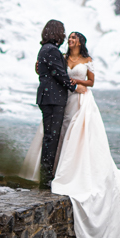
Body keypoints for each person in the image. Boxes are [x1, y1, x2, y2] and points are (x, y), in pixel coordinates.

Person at [20, 29, 120, 238]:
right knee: (59, 135)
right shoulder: (62, 57)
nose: (71, 40)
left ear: (81, 42)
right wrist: (46, 71)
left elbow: (92, 82)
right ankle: (52, 168)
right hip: (66, 98)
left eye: (74, 38)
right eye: (70, 37)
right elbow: (52, 72)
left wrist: (77, 82)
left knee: (78, 135)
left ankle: (74, 168)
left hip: (81, 99)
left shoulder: (87, 60)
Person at [34, 19, 87, 189]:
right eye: (62, 31)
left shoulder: (44, 49)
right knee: (52, 137)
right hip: (53, 99)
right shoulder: (52, 51)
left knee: (50, 136)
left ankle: (46, 174)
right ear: (57, 33)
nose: (64, 35)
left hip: (48, 97)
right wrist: (74, 87)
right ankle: (46, 177)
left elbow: (47, 71)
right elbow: (59, 74)